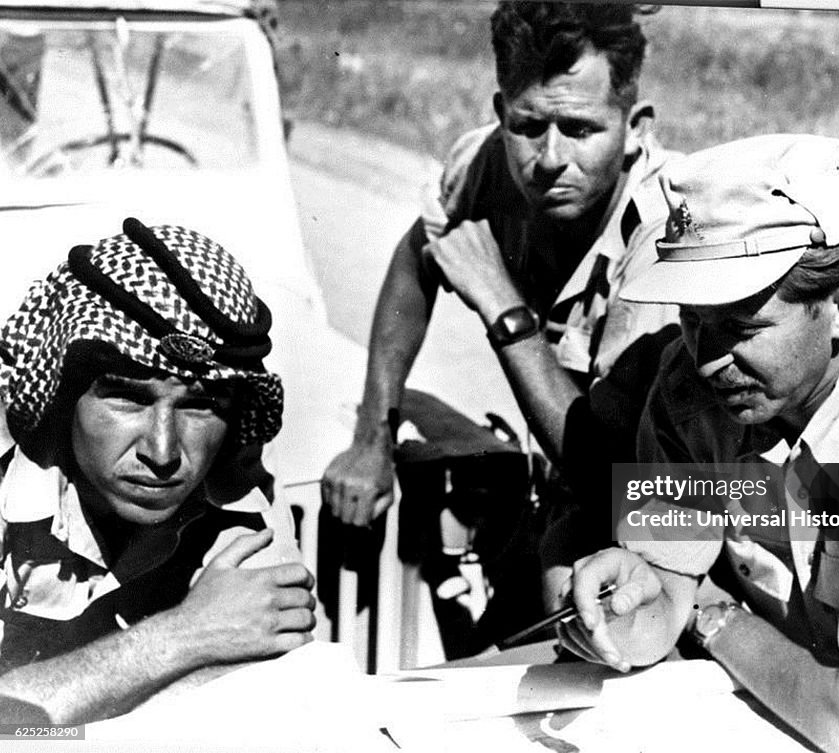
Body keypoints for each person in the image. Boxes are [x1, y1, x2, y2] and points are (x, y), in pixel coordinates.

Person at [559, 134, 839, 750]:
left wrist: (711, 615)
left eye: (743, 328)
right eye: (692, 321)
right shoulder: (691, 387)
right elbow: (663, 601)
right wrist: (623, 613)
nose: (706, 360)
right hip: (790, 689)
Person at [321, 1, 681, 607]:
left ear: (636, 126)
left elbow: (620, 481)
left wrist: (505, 312)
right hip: (578, 478)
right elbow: (417, 260)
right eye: (528, 126)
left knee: (571, 606)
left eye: (581, 129)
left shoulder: (667, 236)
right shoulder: (487, 161)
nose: (549, 159)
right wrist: (372, 437)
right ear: (500, 115)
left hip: (688, 507)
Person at [0, 218, 316, 723]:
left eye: (199, 405)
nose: (164, 452)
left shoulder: (233, 481)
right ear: (63, 398)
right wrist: (184, 635)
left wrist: (66, 708)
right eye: (128, 398)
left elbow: (267, 703)